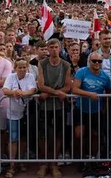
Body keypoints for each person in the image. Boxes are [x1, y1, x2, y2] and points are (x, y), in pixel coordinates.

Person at [72, 52, 111, 176]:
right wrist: (89, 94)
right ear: (89, 61)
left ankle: (93, 159)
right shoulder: (82, 72)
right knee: (79, 135)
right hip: (81, 109)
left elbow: (109, 92)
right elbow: (74, 89)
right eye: (94, 61)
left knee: (96, 135)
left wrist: (105, 107)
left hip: (96, 111)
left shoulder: (105, 77)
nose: (96, 63)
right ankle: (82, 159)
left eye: (99, 61)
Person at [36, 38, 71, 178]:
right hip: (45, 106)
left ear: (60, 48)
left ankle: (54, 164)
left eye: (56, 47)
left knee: (58, 136)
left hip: (59, 106)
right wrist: (57, 93)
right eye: (51, 47)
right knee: (43, 135)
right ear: (48, 48)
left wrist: (52, 93)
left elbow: (68, 85)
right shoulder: (42, 63)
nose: (54, 49)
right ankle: (44, 164)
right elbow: (41, 85)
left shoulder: (66, 65)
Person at [2, 58, 37, 178]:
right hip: (12, 112)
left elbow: (32, 90)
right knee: (13, 138)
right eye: (19, 67)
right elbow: (5, 90)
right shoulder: (11, 77)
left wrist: (21, 93)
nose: (22, 69)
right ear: (15, 68)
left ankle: (21, 161)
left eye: (24, 67)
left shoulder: (30, 76)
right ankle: (12, 165)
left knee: (23, 138)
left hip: (26, 112)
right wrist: (14, 93)